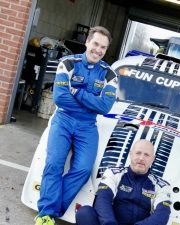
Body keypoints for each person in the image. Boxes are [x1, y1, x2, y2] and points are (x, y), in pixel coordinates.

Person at [34, 26, 118, 225]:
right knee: (54, 163)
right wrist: (90, 104)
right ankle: (46, 213)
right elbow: (60, 98)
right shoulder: (67, 63)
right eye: (96, 44)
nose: (98, 50)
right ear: (87, 42)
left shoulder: (110, 75)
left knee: (83, 169)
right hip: (63, 120)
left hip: (87, 126)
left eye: (103, 48)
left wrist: (78, 93)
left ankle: (53, 208)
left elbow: (105, 106)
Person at [75, 139, 172, 225]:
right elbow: (102, 199)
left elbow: (162, 215)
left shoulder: (162, 186)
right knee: (84, 213)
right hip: (112, 223)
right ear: (131, 154)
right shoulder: (113, 173)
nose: (141, 158)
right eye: (138, 153)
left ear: (153, 159)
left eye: (146, 155)